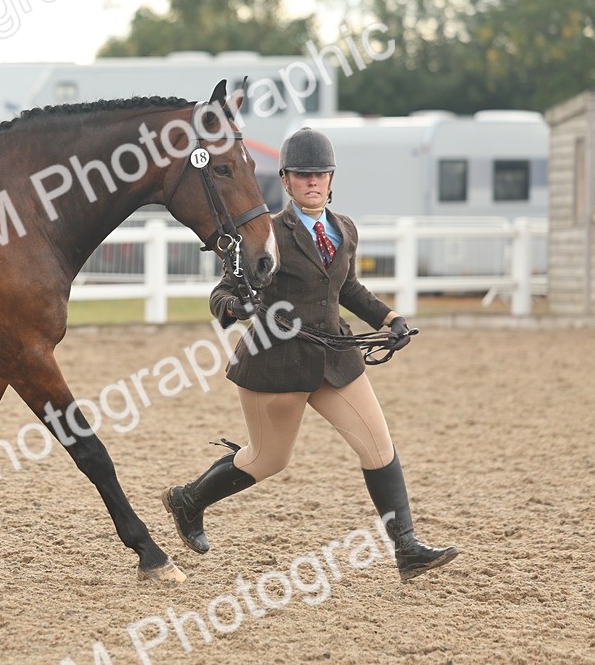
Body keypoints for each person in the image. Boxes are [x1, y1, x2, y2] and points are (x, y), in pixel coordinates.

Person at [162, 126, 458, 582]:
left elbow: (349, 289)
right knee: (268, 459)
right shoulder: (266, 232)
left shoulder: (345, 230)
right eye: (302, 175)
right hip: (275, 362)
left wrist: (389, 320)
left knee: (378, 446)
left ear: (332, 177)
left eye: (320, 173)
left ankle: (407, 549)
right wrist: (234, 306)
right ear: (285, 180)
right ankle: (189, 500)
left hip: (335, 359)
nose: (313, 182)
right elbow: (222, 292)